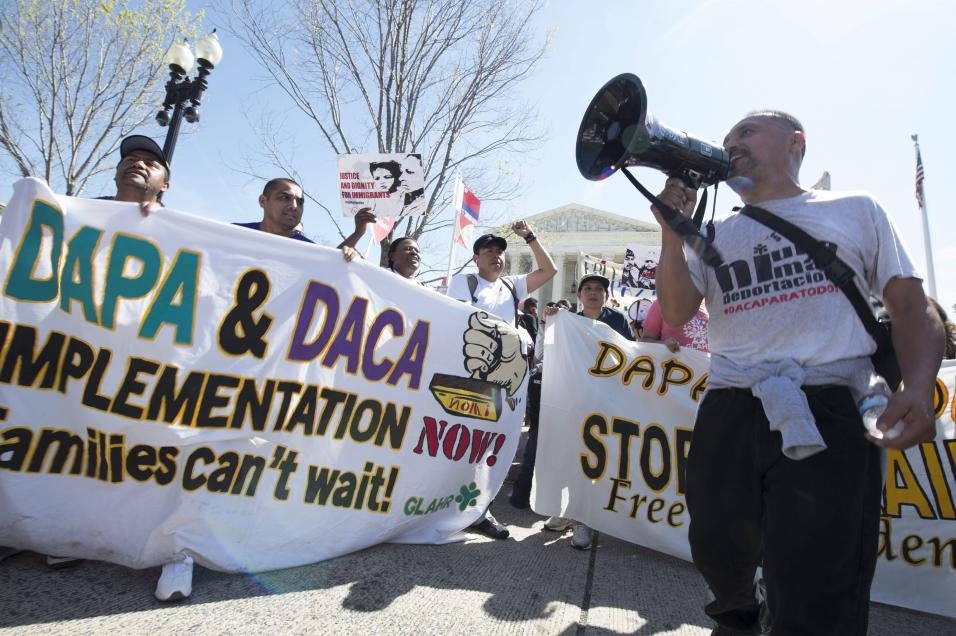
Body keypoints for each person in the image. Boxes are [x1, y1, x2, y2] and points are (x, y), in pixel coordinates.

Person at [651, 110, 944, 635]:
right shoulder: (714, 234)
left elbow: (909, 305)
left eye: (745, 132)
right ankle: (740, 618)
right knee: (716, 544)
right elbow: (674, 310)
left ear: (795, 144)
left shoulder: (855, 210)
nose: (730, 144)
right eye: (726, 139)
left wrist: (920, 388)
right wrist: (673, 234)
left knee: (817, 580)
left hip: (829, 408)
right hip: (732, 406)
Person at [447, 223, 557, 539]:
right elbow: (461, 322)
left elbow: (548, 269)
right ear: (476, 258)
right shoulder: (463, 283)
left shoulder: (512, 286)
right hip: (469, 377)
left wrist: (530, 237)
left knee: (490, 448)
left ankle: (480, 510)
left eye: (500, 252)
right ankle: (449, 505)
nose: (496, 256)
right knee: (461, 443)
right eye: (489, 252)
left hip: (503, 383)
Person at [538, 275, 634, 551]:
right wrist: (548, 321)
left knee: (595, 459)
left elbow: (631, 356)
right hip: (574, 399)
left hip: (605, 401)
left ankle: (585, 519)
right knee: (570, 455)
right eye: (588, 289)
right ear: (579, 295)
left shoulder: (618, 321)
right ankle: (570, 511)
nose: (593, 293)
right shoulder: (569, 321)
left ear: (606, 295)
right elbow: (547, 352)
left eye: (599, 289)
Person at [236, 177, 373, 260]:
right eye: (285, 198)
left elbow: (328, 268)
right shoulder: (234, 234)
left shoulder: (309, 251)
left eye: (300, 202)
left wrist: (347, 255)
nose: (294, 206)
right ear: (263, 201)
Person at [641, 298, 709, 353]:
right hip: (676, 367)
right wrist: (663, 345)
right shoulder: (661, 304)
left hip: (707, 368)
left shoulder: (709, 305)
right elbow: (644, 342)